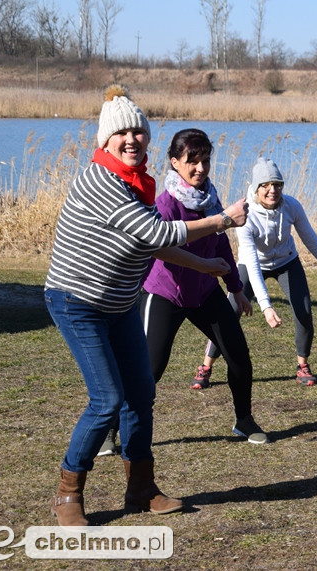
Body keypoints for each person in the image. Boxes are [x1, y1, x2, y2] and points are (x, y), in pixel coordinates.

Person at [44, 85, 248, 526]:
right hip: (77, 301)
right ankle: (68, 494)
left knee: (140, 392)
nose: (132, 138)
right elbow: (157, 234)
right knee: (107, 399)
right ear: (106, 140)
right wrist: (222, 220)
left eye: (139, 130)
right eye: (123, 133)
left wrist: (205, 264)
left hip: (117, 305)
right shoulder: (103, 181)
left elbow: (151, 242)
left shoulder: (137, 183)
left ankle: (140, 488)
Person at [141, 128, 268, 445]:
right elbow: (161, 247)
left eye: (206, 161)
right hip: (165, 294)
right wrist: (206, 265)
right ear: (175, 163)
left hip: (204, 294)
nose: (200, 168)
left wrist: (236, 289)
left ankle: (244, 420)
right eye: (192, 161)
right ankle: (111, 429)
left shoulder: (211, 199)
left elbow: (221, 245)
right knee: (150, 369)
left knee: (238, 354)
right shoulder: (166, 205)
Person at [190, 156, 317, 390]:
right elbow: (252, 263)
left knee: (304, 312)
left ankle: (302, 365)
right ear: (256, 188)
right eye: (265, 185)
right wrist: (266, 306)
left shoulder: (292, 206)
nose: (272, 190)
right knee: (228, 314)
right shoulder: (244, 215)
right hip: (251, 264)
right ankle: (206, 366)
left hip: (287, 262)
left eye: (277, 184)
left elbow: (311, 239)